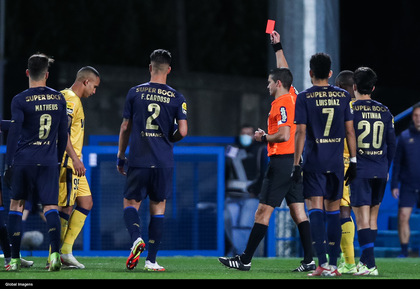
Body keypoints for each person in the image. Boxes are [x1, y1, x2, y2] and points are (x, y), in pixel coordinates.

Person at [219, 31, 315, 272]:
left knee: (262, 210)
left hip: (282, 161)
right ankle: (310, 260)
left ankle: (244, 259)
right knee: (298, 212)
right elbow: (285, 71)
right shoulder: (293, 96)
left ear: (278, 84)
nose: (268, 85)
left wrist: (264, 137)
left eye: (270, 82)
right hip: (294, 162)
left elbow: (282, 134)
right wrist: (278, 47)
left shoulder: (283, 103)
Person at [117, 49, 188, 272]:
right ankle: (152, 261)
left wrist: (121, 156)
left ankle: (136, 238)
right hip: (163, 161)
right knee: (158, 209)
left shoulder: (135, 92)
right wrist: (170, 137)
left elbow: (125, 127)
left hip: (139, 158)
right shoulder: (177, 97)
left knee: (130, 203)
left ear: (150, 68)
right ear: (168, 70)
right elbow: (183, 131)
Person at [292, 52, 357, 277]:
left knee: (315, 210)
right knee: (333, 213)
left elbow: (300, 132)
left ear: (310, 73)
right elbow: (350, 130)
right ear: (330, 73)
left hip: (314, 162)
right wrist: (355, 161)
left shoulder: (304, 97)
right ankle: (335, 266)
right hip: (336, 163)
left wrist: (295, 163)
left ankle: (322, 264)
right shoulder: (343, 96)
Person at [4, 53, 68, 271]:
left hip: (24, 160)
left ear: (27, 73)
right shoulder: (59, 98)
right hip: (48, 161)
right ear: (47, 75)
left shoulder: (20, 100)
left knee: (16, 206)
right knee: (51, 207)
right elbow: (63, 134)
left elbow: (14, 131)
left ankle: (13, 259)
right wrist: (57, 161)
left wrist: (8, 164)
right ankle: (55, 256)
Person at [50, 66, 100, 269]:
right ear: (86, 81)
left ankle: (65, 251)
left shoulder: (65, 95)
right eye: (94, 86)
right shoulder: (71, 98)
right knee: (65, 207)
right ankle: (54, 255)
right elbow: (63, 130)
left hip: (72, 163)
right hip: (68, 162)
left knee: (86, 202)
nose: (94, 91)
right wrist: (75, 159)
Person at [350, 67, 396, 275]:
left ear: (354, 87)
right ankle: (365, 262)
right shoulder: (385, 111)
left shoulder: (350, 109)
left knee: (361, 219)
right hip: (380, 169)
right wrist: (386, 166)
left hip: (360, 169)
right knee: (372, 218)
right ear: (373, 88)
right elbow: (391, 144)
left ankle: (370, 264)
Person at [224, 124, 267, 256]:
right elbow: (225, 171)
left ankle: (246, 254)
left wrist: (256, 190)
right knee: (230, 224)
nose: (245, 136)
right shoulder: (231, 150)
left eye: (249, 133)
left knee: (245, 225)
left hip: (251, 196)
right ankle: (237, 252)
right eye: (243, 133)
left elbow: (264, 172)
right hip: (232, 195)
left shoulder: (261, 150)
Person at [334, 70, 357, 274]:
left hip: (342, 164)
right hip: (364, 164)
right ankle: (365, 261)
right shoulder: (365, 108)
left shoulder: (341, 108)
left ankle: (348, 261)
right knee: (366, 214)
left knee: (341, 211)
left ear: (341, 86)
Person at [391, 104, 420, 258]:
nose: (418, 119)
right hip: (408, 185)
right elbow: (397, 163)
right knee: (403, 216)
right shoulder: (404, 136)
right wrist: (394, 184)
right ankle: (404, 252)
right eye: (415, 115)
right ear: (412, 117)